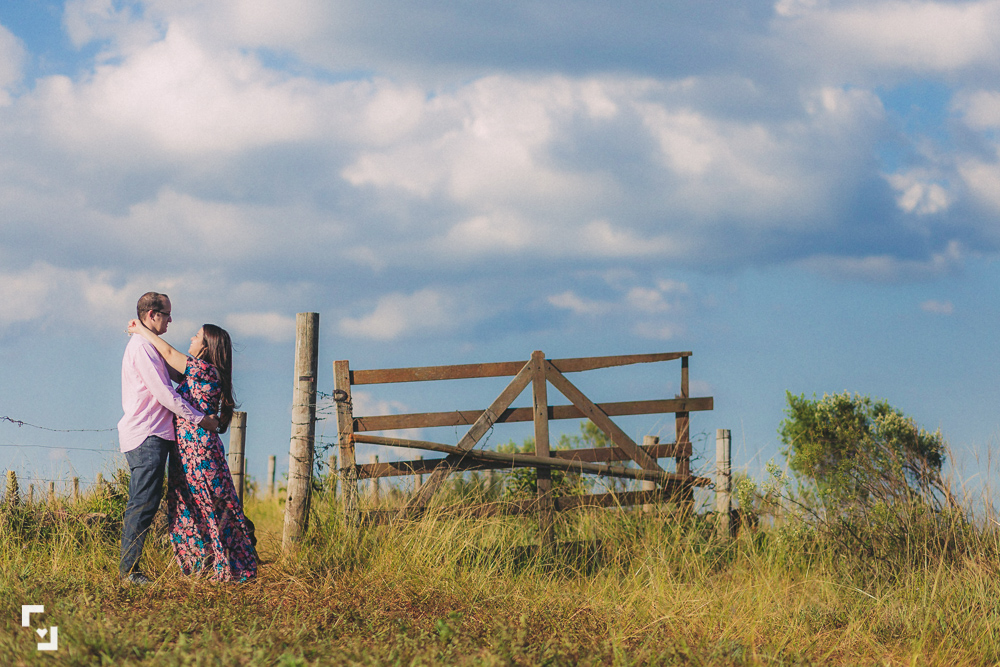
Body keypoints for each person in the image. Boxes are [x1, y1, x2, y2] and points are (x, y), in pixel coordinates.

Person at [127, 317, 257, 583]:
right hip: (186, 451)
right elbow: (164, 363)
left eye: (196, 336)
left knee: (211, 504)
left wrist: (141, 329)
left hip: (198, 451)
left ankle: (233, 567)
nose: (191, 338)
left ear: (206, 347)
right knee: (191, 507)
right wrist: (142, 338)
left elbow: (168, 353)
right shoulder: (196, 372)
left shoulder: (206, 371)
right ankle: (202, 567)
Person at [119, 292, 218, 586]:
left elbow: (177, 372)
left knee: (147, 502)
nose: (171, 320)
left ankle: (134, 569)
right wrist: (201, 419)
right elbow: (165, 394)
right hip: (148, 433)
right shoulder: (142, 348)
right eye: (166, 314)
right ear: (152, 314)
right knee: (143, 503)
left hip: (152, 434)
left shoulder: (147, 344)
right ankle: (129, 572)